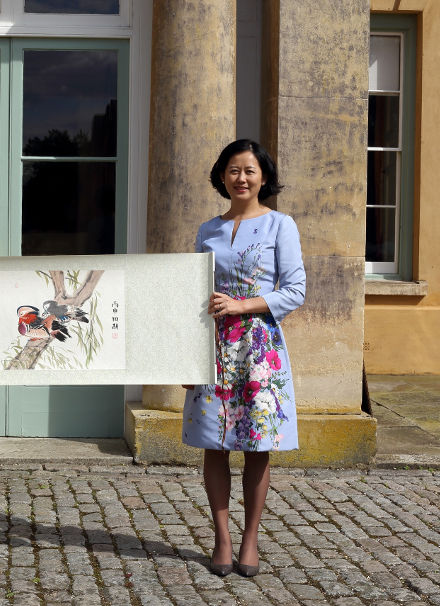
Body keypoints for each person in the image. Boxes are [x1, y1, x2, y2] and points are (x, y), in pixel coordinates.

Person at [182, 139, 305, 578]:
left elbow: (295, 290)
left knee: (258, 445)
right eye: (233, 170)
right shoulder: (207, 230)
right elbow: (191, 294)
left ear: (264, 177)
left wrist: (242, 305)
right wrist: (186, 357)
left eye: (250, 170)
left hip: (259, 348)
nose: (241, 178)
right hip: (213, 346)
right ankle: (222, 538)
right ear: (221, 176)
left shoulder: (280, 226)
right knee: (214, 444)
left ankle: (250, 538)